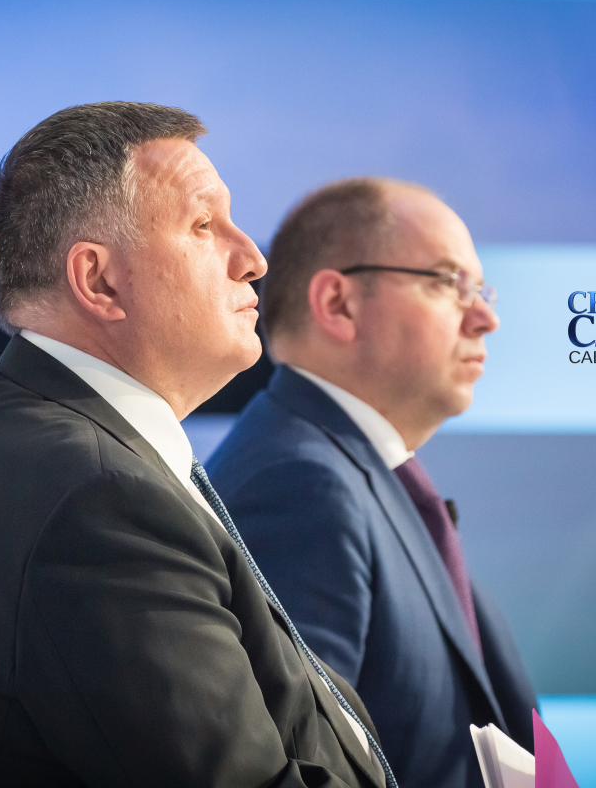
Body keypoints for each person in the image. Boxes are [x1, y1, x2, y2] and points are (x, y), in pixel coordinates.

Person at [0, 103, 392, 788]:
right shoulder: (98, 498)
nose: (253, 260)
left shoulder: (33, 436)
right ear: (99, 280)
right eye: (203, 225)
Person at [206, 178, 537, 788]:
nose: (485, 318)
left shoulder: (355, 477)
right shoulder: (299, 485)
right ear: (338, 304)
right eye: (449, 282)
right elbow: (298, 765)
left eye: (481, 290)